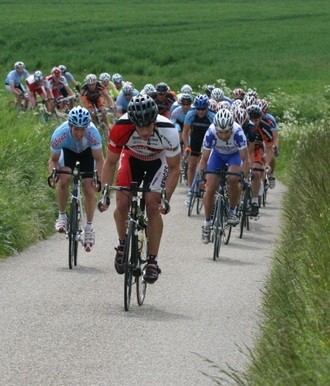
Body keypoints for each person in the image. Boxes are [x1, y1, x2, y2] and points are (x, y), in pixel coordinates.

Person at [99, 94, 181, 284]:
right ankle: (121, 245)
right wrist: (104, 193)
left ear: (155, 120)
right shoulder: (121, 126)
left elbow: (175, 168)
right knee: (121, 204)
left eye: (148, 126)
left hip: (157, 161)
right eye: (139, 126)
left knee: (153, 206)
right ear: (132, 122)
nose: (144, 132)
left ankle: (152, 260)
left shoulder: (168, 130)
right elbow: (110, 162)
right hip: (131, 158)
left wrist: (165, 198)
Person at [48, 106, 104, 252]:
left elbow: (99, 159)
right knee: (64, 179)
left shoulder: (93, 133)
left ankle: (89, 228)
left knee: (89, 187)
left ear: (87, 127)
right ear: (70, 126)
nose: (79, 133)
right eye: (76, 129)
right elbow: (53, 160)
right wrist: (53, 176)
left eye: (82, 129)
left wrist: (98, 180)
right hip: (68, 153)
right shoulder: (60, 134)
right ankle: (61, 216)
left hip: (87, 154)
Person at [196, 109, 250, 244]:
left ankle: (232, 210)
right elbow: (203, 159)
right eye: (220, 132)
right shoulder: (210, 132)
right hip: (217, 156)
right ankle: (207, 224)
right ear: (216, 129)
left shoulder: (238, 132)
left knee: (232, 178)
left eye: (226, 132)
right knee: (210, 189)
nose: (224, 135)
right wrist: (201, 177)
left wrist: (242, 177)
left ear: (231, 128)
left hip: (234, 155)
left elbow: (246, 159)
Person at [181, 94, 215, 204]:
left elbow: (216, 134)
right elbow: (185, 133)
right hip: (195, 141)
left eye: (203, 109)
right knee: (191, 166)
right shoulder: (191, 114)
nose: (200, 112)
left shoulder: (212, 116)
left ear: (207, 108)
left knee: (203, 166)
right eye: (198, 109)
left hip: (207, 142)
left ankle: (202, 186)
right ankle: (191, 191)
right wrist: (187, 146)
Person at [246, 104, 274, 217]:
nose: (253, 122)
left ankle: (254, 202)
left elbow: (269, 148)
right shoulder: (243, 125)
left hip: (257, 150)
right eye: (251, 119)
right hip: (244, 149)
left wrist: (267, 163)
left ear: (260, 118)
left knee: (256, 173)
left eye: (256, 120)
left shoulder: (265, 128)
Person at [258, 98, 279, 188]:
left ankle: (271, 174)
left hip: (268, 138)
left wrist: (275, 146)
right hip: (259, 138)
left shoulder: (270, 119)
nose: (262, 115)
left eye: (264, 112)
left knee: (272, 153)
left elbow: (275, 136)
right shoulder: (253, 118)